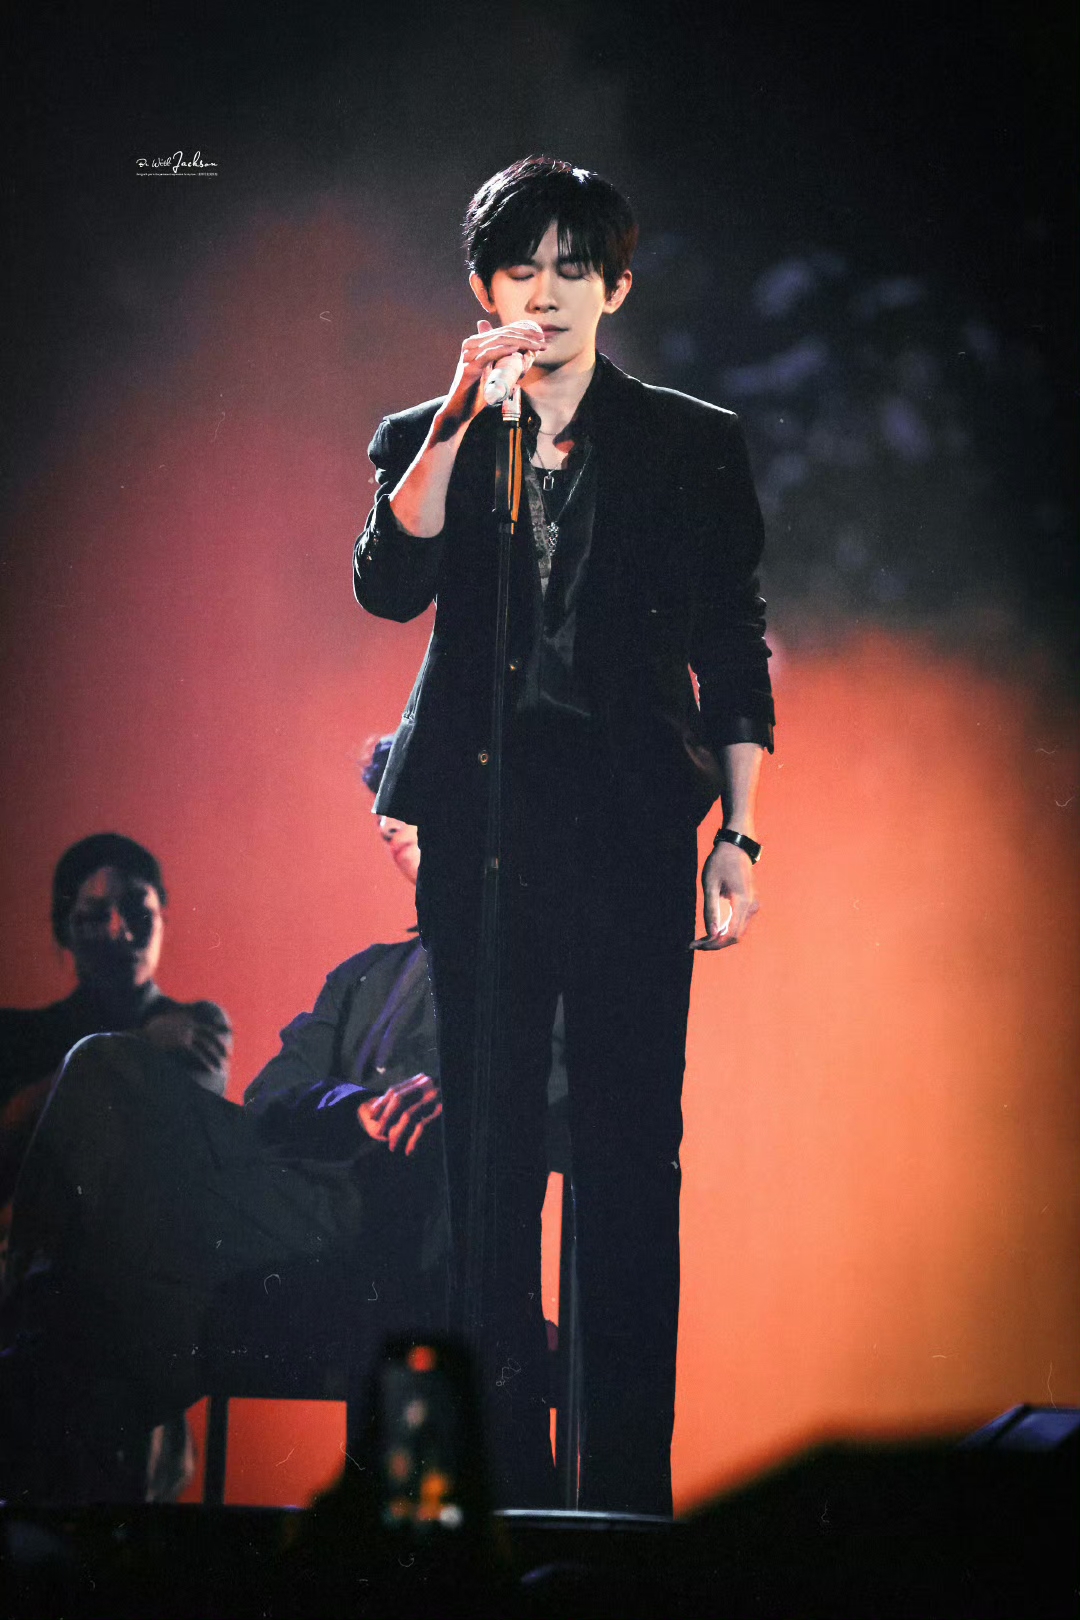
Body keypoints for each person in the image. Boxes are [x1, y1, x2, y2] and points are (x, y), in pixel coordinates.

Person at [353, 156, 776, 1515]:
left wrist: (740, 834)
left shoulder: (688, 442)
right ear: (484, 288)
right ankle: (492, 1493)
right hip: (482, 831)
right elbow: (386, 585)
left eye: (574, 269)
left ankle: (627, 1501)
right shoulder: (434, 433)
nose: (547, 294)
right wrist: (457, 417)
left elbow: (733, 643)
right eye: (522, 268)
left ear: (616, 287)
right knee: (487, 1170)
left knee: (626, 1160)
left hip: (631, 829)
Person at [0, 768, 445, 1506]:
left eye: (406, 799)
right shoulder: (362, 976)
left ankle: (27, 1320)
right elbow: (269, 1099)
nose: (384, 819)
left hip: (377, 1231)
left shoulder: (520, 984)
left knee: (88, 1312)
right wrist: (354, 1107)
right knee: (103, 1072)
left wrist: (452, 1095)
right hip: (277, 1203)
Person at [0, 833, 232, 1204]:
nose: (120, 932)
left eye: (138, 913)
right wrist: (144, 1042)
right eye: (95, 916)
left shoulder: (199, 1023)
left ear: (162, 918)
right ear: (64, 929)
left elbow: (174, 1147)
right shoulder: (16, 1034)